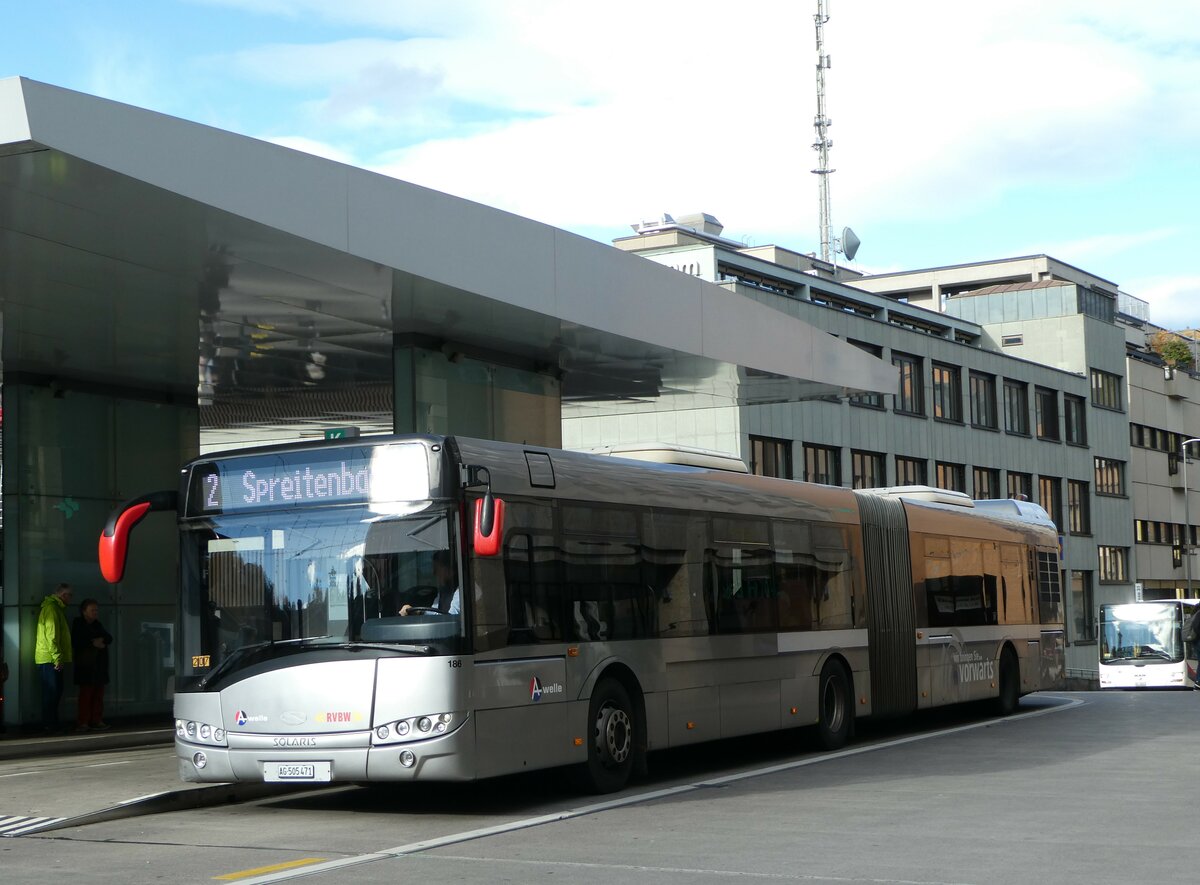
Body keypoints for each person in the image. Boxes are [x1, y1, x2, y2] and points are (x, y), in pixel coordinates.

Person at [34, 583, 73, 732]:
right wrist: (57, 658)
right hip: (49, 658)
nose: (71, 598)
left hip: (49, 657)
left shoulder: (54, 608)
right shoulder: (52, 609)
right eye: (70, 595)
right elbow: (51, 637)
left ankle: (52, 723)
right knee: (52, 692)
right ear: (63, 596)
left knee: (54, 692)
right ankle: (50, 724)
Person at [71, 598, 114, 732]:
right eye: (92, 610)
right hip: (86, 666)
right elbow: (77, 640)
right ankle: (83, 721)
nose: (95, 613)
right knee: (86, 695)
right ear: (84, 612)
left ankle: (96, 720)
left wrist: (99, 640)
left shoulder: (97, 624)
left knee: (98, 695)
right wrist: (92, 642)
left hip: (99, 667)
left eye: (96, 610)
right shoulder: (78, 624)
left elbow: (109, 638)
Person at [400, 551, 461, 616]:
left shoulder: (460, 591)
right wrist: (417, 612)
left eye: (436, 569)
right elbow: (434, 612)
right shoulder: (443, 591)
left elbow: (452, 616)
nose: (434, 573)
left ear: (447, 570)